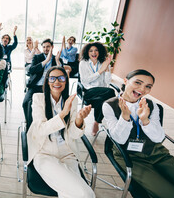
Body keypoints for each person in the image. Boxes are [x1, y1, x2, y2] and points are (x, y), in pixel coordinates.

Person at [103, 69, 174, 198]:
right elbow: (119, 139)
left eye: (148, 86)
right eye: (137, 83)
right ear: (125, 81)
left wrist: (145, 120)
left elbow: (158, 138)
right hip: (131, 157)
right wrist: (125, 118)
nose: (142, 89)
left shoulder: (153, 106)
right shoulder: (109, 105)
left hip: (157, 152)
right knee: (173, 195)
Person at [27, 66, 95, 198]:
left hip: (68, 153)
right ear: (47, 81)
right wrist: (63, 114)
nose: (56, 82)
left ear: (66, 81)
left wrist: (79, 120)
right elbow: (40, 129)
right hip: (44, 153)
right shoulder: (38, 98)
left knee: (73, 193)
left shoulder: (72, 100)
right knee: (86, 194)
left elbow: (74, 135)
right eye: (52, 78)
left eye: (61, 78)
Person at [23, 38, 63, 125]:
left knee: (47, 105)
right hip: (36, 86)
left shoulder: (57, 58)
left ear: (52, 47)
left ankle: (47, 124)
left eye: (48, 47)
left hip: (50, 87)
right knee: (26, 103)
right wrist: (46, 61)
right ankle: (29, 124)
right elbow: (31, 70)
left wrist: (57, 61)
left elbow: (61, 75)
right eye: (44, 47)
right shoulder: (37, 57)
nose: (46, 49)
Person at [79, 42, 115, 136]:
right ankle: (110, 116)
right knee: (111, 92)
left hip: (102, 92)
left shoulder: (103, 63)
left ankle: (96, 122)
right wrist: (100, 71)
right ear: (87, 52)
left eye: (96, 50)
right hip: (88, 91)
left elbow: (107, 82)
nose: (93, 52)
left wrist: (106, 69)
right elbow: (85, 80)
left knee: (101, 100)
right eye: (91, 51)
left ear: (100, 52)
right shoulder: (83, 63)